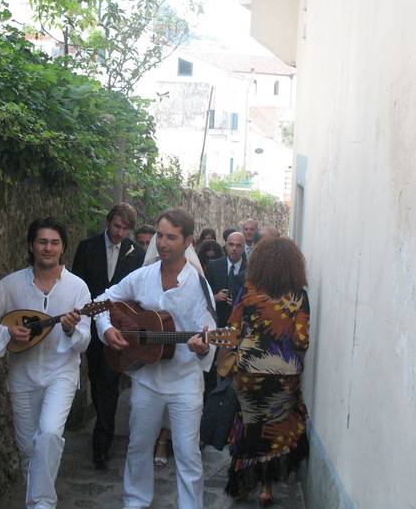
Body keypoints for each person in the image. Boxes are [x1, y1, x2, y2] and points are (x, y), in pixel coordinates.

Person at [96, 209, 216, 509]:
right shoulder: (143, 276)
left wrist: (202, 347)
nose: (162, 243)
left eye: (171, 237)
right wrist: (107, 328)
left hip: (185, 382)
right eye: (160, 236)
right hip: (146, 379)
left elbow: (209, 334)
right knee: (138, 446)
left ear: (187, 241)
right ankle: (135, 502)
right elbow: (101, 301)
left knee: (188, 454)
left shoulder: (200, 286)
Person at [0, 217, 91, 509]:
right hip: (22, 375)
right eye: (42, 242)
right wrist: (4, 332)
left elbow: (85, 341)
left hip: (61, 372)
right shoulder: (12, 284)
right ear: (31, 245)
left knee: (48, 434)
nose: (48, 248)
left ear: (63, 248)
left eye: (55, 243)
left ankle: (42, 505)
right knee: (28, 450)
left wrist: (72, 329)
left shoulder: (78, 288)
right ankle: (36, 502)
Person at [224, 238, 310, 507]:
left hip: (248, 370)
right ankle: (267, 489)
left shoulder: (248, 291)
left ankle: (241, 484)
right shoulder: (299, 295)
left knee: (248, 426)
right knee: (273, 430)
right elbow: (301, 341)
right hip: (284, 375)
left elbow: (233, 329)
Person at [70, 203, 144, 470]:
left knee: (109, 382)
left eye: (125, 229)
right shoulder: (86, 248)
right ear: (108, 222)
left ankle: (102, 442)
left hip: (118, 328)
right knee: (96, 378)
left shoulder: (137, 254)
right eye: (116, 226)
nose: (120, 232)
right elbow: (77, 286)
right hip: (90, 325)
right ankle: (103, 427)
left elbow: (135, 295)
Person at [204, 232, 247, 328]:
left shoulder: (250, 270)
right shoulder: (213, 266)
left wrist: (239, 301)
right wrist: (215, 297)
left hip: (240, 323)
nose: (234, 248)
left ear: (244, 248)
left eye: (238, 245)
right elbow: (203, 295)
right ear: (226, 246)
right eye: (231, 245)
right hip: (216, 321)